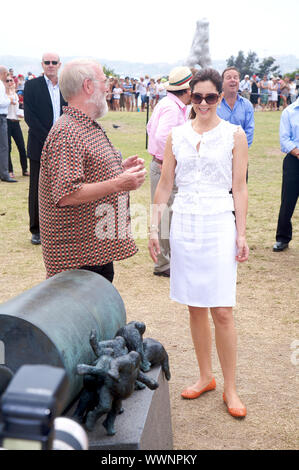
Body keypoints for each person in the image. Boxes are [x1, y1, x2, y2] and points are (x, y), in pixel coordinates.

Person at [149, 68, 249, 418]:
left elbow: (240, 187)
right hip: (185, 224)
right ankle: (205, 376)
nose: (203, 103)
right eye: (197, 97)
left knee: (222, 309)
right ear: (189, 97)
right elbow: (164, 184)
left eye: (210, 97)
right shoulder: (175, 135)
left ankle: (230, 388)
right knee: (194, 306)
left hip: (219, 224)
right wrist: (153, 228)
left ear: (220, 97)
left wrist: (242, 232)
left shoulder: (235, 135)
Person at [39, 58, 146, 280]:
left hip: (93, 252)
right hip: (76, 259)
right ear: (88, 86)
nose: (108, 88)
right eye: (104, 81)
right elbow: (67, 194)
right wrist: (119, 182)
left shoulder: (82, 125)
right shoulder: (67, 132)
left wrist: (119, 168)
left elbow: (86, 170)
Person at [147, 66, 192, 277]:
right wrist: (170, 163)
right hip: (164, 167)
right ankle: (164, 264)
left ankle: (166, 261)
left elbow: (150, 129)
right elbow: (161, 137)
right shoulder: (173, 109)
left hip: (161, 165)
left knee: (167, 215)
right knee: (165, 216)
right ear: (187, 90)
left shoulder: (168, 104)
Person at [24, 52, 67, 245]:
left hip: (65, 145)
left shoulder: (66, 87)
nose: (50, 65)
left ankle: (61, 226)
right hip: (39, 145)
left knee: (65, 187)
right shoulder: (32, 86)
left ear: (59, 64)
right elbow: (30, 117)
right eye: (47, 62)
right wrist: (50, 140)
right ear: (42, 64)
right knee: (36, 188)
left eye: (54, 62)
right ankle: (36, 229)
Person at [273, 96, 299, 252]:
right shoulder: (289, 112)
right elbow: (284, 139)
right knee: (287, 202)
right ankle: (282, 238)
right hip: (293, 161)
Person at [217, 67, 254, 148]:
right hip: (218, 152)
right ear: (222, 83)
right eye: (228, 77)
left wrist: (239, 150)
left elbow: (249, 131)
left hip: (241, 152)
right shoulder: (214, 104)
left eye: (235, 77)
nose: (232, 80)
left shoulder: (247, 105)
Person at [5, 75, 29, 177]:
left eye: (11, 80)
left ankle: (25, 169)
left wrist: (21, 114)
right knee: (8, 147)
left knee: (21, 147)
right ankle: (10, 171)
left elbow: (16, 108)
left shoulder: (15, 94)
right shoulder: (3, 95)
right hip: (7, 121)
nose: (10, 82)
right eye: (7, 81)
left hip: (16, 121)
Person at [0, 65, 17, 182]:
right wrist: (10, 100)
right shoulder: (1, 84)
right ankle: (5, 173)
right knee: (4, 147)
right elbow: (1, 102)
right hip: (1, 117)